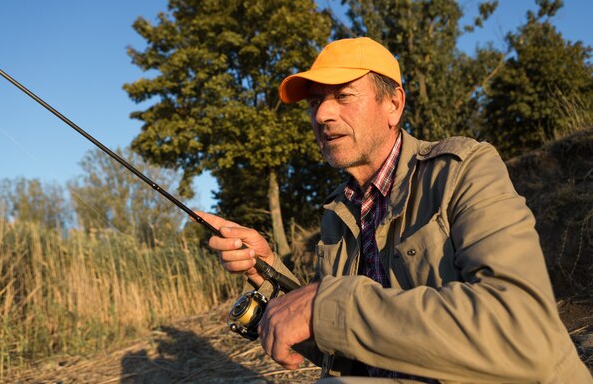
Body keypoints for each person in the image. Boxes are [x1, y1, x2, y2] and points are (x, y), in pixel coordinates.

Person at [197, 37, 593, 383]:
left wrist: (328, 304)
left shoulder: (464, 170)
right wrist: (267, 272)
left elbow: (522, 332)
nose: (322, 115)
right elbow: (342, 348)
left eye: (343, 96)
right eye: (315, 102)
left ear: (393, 104)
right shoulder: (337, 216)